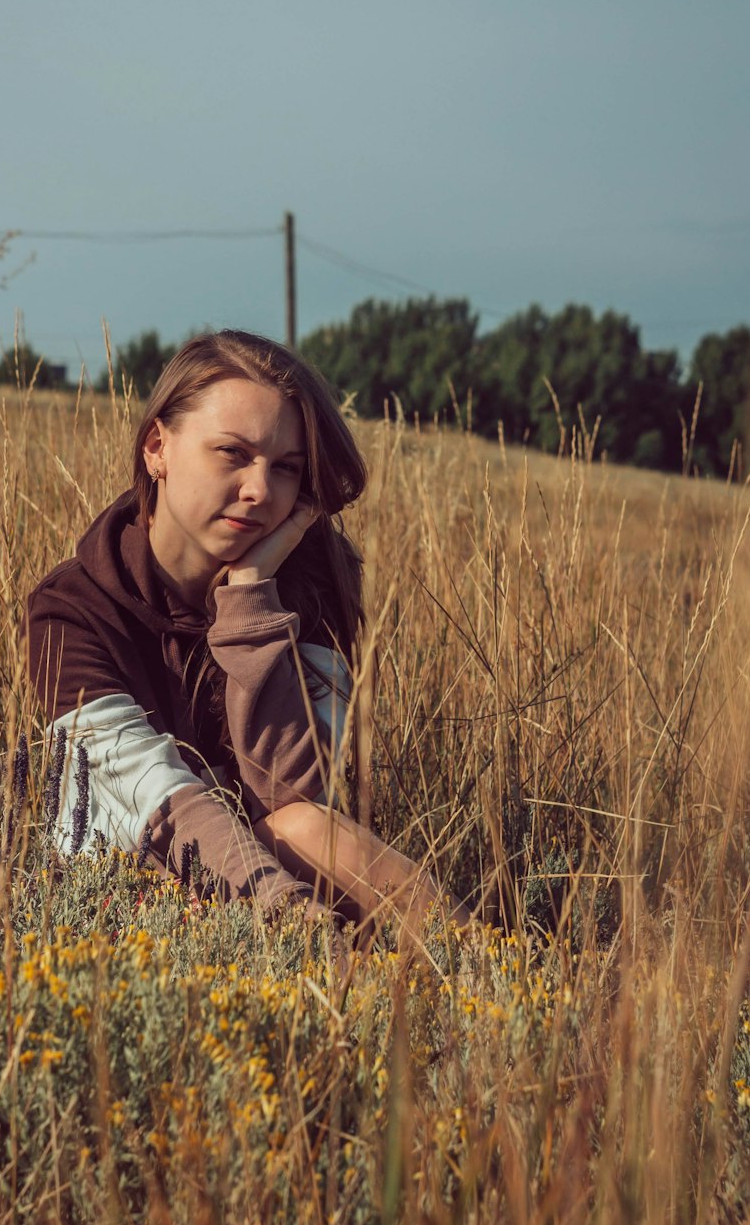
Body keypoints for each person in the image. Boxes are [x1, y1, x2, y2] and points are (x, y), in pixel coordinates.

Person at [26, 329, 466, 945]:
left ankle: (486, 972)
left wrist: (252, 599)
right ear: (158, 447)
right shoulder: (72, 609)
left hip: (276, 885)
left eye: (285, 468)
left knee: (304, 826)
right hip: (131, 890)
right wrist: (296, 929)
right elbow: (160, 804)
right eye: (232, 454)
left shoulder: (311, 587)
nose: (261, 491)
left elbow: (302, 796)